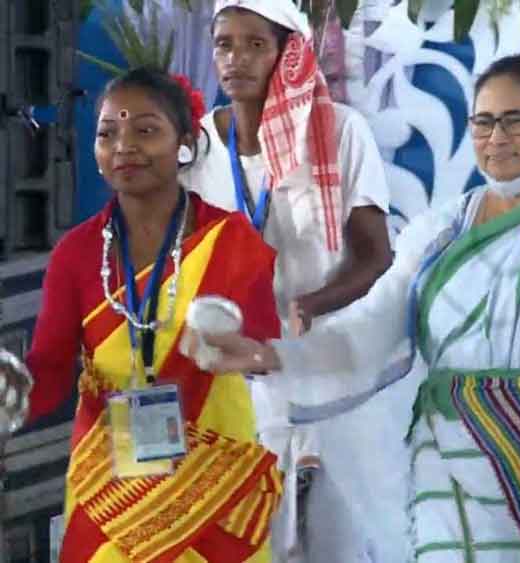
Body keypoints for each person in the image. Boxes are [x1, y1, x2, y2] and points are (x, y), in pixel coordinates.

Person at [201, 54, 520, 562]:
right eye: (483, 122)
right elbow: (372, 325)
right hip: (452, 452)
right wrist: (273, 356)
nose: (496, 137)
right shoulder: (441, 228)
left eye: (516, 121)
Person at [15, 67, 282, 562]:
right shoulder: (76, 253)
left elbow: (267, 350)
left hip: (210, 486)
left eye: (145, 130)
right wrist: (11, 395)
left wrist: (238, 352)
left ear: (185, 142)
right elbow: (49, 372)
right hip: (110, 490)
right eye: (107, 133)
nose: (124, 146)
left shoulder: (231, 241)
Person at [179, 1, 393, 560]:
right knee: (257, 540)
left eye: (255, 44)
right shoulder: (198, 145)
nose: (236, 59)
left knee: (335, 541)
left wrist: (310, 305)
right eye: (224, 44)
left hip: (326, 363)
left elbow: (376, 255)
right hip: (237, 374)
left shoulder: (339, 131)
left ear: (287, 53)